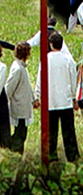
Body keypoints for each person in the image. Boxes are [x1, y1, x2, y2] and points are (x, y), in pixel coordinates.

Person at [34, 31, 79, 162]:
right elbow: (73, 80)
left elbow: (39, 80)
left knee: (51, 132)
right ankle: (73, 156)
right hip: (65, 101)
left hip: (50, 101)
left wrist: (38, 96)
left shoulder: (45, 59)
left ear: (51, 44)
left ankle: (52, 157)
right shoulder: (69, 60)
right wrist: (74, 98)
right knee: (69, 132)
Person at [5, 41, 34, 154]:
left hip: (23, 105)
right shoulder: (18, 69)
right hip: (19, 107)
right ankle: (14, 153)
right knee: (20, 135)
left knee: (22, 134)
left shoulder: (21, 67)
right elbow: (9, 88)